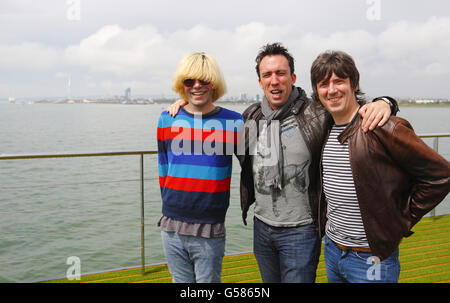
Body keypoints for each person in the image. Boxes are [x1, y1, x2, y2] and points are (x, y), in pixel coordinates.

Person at [167, 42, 397, 283]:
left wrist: (385, 102)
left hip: (302, 230)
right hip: (262, 227)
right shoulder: (250, 117)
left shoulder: (317, 114)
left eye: (280, 73)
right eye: (267, 74)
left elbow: (348, 104)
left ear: (292, 77)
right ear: (260, 82)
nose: (274, 80)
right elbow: (211, 120)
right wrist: (185, 104)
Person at [310, 50, 450, 283]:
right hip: (333, 250)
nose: (331, 90)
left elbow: (441, 175)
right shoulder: (325, 127)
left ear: (354, 84)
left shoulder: (381, 126)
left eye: (339, 81)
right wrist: (386, 100)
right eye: (323, 84)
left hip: (371, 258)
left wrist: (401, 220)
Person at [157, 52, 243, 283]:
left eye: (203, 80)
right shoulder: (167, 119)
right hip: (171, 224)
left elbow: (255, 163)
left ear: (214, 83)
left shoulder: (234, 122)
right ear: (181, 84)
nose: (197, 86)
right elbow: (163, 168)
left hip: (209, 227)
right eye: (189, 81)